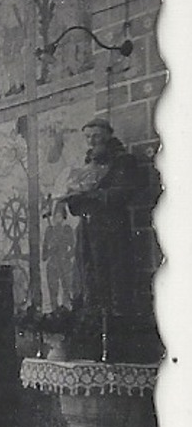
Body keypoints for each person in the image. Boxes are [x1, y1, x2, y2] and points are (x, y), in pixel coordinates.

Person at [62, 119, 144, 318]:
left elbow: (121, 194)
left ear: (108, 135)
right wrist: (72, 198)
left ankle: (117, 325)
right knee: (90, 276)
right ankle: (96, 322)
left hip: (113, 229)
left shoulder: (123, 161)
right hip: (89, 229)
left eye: (96, 136)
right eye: (88, 137)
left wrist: (90, 195)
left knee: (115, 275)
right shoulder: (87, 165)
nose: (91, 141)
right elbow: (79, 204)